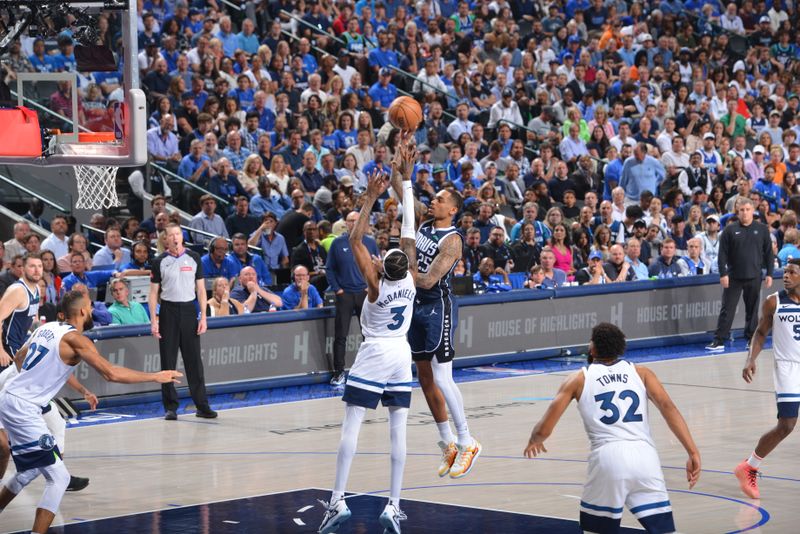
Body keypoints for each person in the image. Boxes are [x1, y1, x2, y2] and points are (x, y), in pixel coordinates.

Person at [0, 290, 182, 534]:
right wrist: (156, 376)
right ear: (84, 311)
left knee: (31, 469)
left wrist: (35, 381)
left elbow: (21, 358)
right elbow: (111, 373)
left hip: (11, 398)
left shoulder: (48, 328)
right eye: (90, 307)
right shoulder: (77, 340)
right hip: (22, 406)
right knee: (59, 478)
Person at [319, 147, 417, 534]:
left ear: (380, 268)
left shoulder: (374, 287)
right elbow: (408, 228)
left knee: (352, 425)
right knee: (399, 430)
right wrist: (405, 182)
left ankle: (337, 500)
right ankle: (394, 505)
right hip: (401, 353)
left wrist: (372, 197)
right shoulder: (409, 279)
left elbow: (356, 239)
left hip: (376, 351)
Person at [523, 322, 701, 534]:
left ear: (593, 349)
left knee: (596, 530)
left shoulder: (578, 379)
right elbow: (668, 408)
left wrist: (535, 439)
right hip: (646, 458)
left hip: (608, 458)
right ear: (620, 348)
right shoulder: (642, 373)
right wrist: (692, 451)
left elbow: (545, 429)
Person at [389, 137, 481, 480]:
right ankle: (448, 443)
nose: (434, 200)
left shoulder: (453, 239)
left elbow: (427, 281)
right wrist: (400, 159)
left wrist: (401, 269)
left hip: (437, 306)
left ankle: (468, 440)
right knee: (424, 377)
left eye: (441, 199)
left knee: (443, 377)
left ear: (452, 209)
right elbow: (402, 188)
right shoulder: (423, 224)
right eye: (435, 197)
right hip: (416, 305)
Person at [736, 259, 800, 499]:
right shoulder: (774, 301)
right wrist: (750, 359)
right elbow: (761, 332)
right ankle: (749, 466)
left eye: (792, 273)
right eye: (785, 272)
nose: (787, 276)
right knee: (787, 425)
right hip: (788, 368)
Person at [149, 223, 217, 420]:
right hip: (168, 311)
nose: (175, 237)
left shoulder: (194, 258)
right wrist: (153, 320)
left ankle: (202, 406)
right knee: (168, 361)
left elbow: (202, 290)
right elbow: (153, 293)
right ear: (166, 239)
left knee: (194, 361)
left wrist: (203, 316)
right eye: (171, 235)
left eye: (178, 234)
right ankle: (171, 407)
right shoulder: (159, 261)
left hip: (189, 310)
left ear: (182, 237)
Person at [706, 199, 774, 351]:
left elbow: (769, 253)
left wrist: (769, 273)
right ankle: (719, 340)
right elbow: (722, 254)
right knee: (727, 309)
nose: (745, 213)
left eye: (748, 209)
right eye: (742, 210)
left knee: (753, 310)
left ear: (753, 210)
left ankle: (752, 339)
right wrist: (723, 273)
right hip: (733, 277)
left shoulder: (762, 229)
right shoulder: (729, 230)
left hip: (754, 276)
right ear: (737, 211)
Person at [325, 210, 379, 386]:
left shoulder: (370, 243)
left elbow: (376, 266)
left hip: (364, 294)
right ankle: (339, 372)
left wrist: (370, 285)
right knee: (341, 335)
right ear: (345, 224)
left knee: (369, 334)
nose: (354, 223)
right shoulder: (337, 243)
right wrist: (337, 289)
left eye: (357, 220)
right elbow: (330, 269)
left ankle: (370, 370)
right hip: (345, 294)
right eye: (350, 220)